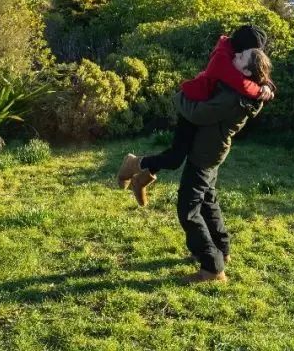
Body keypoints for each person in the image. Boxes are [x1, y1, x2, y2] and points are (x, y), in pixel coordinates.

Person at [116, 25, 274, 205]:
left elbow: (256, 72)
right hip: (192, 104)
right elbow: (243, 84)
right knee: (176, 158)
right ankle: (133, 163)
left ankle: (140, 180)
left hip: (201, 103)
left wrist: (268, 86)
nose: (253, 54)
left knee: (179, 152)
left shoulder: (231, 52)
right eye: (251, 51)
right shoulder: (222, 60)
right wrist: (261, 91)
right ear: (242, 47)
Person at [174, 49, 273, 283]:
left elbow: (198, 113)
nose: (235, 57)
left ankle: (212, 267)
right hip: (213, 150)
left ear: (247, 71)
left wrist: (179, 97)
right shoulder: (245, 89)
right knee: (208, 201)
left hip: (204, 153)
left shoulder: (233, 98)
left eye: (240, 58)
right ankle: (222, 249)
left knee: (188, 209)